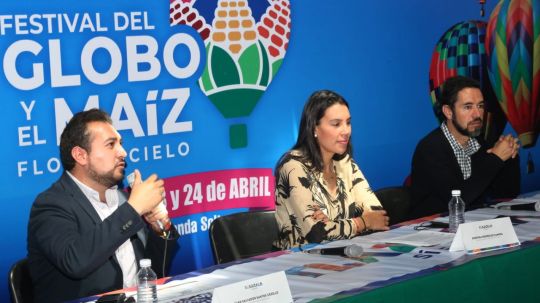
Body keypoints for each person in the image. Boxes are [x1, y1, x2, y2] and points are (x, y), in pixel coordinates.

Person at [27, 109, 180, 302]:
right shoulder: (50, 205)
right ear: (80, 155)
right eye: (111, 145)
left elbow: (154, 273)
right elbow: (76, 261)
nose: (123, 152)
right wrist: (134, 209)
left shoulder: (122, 200)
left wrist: (161, 226)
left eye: (121, 144)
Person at [274, 90, 389, 249]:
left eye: (348, 122)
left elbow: (378, 217)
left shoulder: (345, 163)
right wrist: (362, 222)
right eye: (336, 124)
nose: (346, 131)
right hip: (298, 264)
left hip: (343, 257)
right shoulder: (293, 166)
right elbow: (317, 233)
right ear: (314, 127)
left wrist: (332, 224)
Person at [410, 76, 520, 219]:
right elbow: (457, 200)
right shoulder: (430, 148)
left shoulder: (480, 143)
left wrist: (509, 156)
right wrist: (496, 159)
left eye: (480, 106)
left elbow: (506, 194)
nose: (477, 114)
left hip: (474, 223)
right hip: (434, 227)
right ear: (448, 112)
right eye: (468, 107)